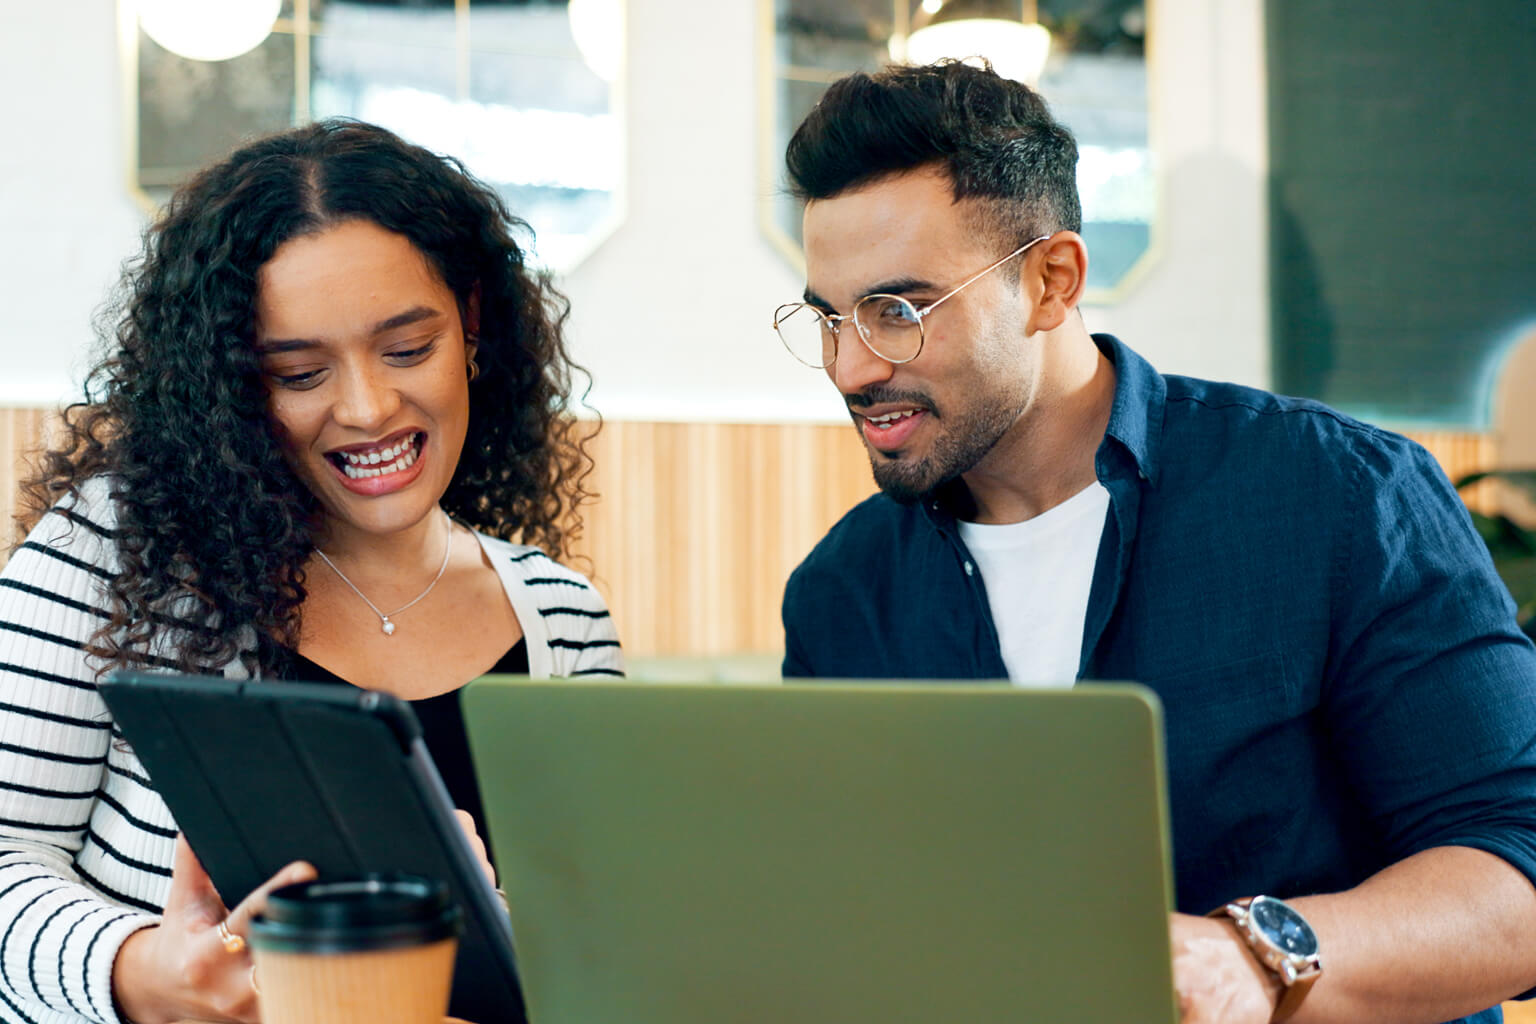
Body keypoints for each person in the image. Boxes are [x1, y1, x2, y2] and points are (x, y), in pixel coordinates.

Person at [774, 61, 1536, 1024]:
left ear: (1052, 282)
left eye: (899, 312)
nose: (850, 367)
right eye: (828, 318)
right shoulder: (843, 594)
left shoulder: (1337, 496)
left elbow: (1519, 869)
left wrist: (1255, 959)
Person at [0, 120, 623, 1024]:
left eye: (409, 349)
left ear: (474, 327)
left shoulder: (565, 623)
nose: (367, 408)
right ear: (230, 387)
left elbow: (588, 946)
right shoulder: (112, 554)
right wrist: (144, 975)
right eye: (297, 373)